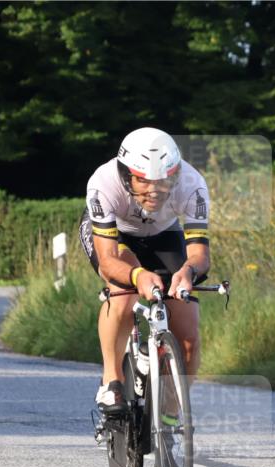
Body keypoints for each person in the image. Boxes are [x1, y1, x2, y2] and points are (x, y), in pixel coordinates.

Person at [78, 127, 210, 415]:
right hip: (117, 236)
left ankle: (171, 418)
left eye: (164, 180)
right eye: (142, 181)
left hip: (163, 234)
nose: (155, 190)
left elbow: (199, 254)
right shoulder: (104, 183)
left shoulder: (193, 184)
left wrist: (187, 271)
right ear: (126, 176)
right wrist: (137, 276)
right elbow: (108, 261)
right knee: (123, 293)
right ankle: (112, 382)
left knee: (188, 336)